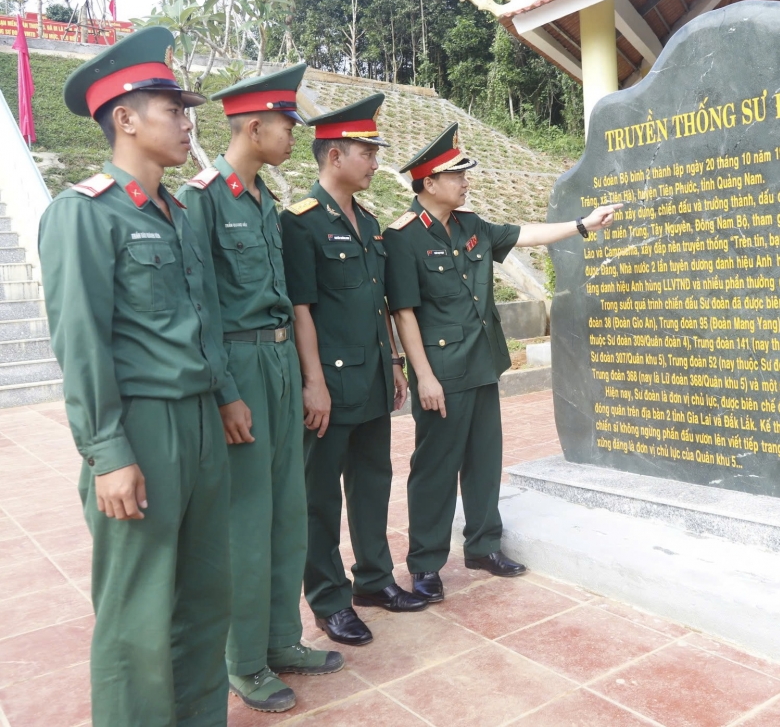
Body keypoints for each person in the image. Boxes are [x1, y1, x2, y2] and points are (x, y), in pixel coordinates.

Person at [40, 25, 231, 726]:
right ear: (124, 118)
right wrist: (109, 453)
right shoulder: (85, 214)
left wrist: (223, 397)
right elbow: (82, 344)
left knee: (206, 595)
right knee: (137, 613)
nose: (187, 123)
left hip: (200, 422)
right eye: (173, 110)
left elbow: (203, 319)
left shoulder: (176, 214)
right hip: (141, 428)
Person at [383, 123, 620, 602]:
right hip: (442, 375)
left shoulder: (472, 226)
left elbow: (527, 234)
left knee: (484, 461)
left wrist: (581, 224)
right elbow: (402, 313)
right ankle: (426, 563)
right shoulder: (402, 237)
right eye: (456, 175)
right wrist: (422, 375)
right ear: (429, 183)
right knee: (434, 468)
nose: (466, 181)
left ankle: (483, 545)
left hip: (482, 362)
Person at [177, 65, 343, 713]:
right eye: (286, 125)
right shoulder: (205, 197)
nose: (293, 136)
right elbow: (202, 309)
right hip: (240, 369)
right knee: (246, 523)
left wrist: (306, 378)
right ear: (254, 126)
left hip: (276, 367)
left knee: (285, 513)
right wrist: (224, 394)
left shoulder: (264, 201)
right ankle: (243, 663)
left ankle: (282, 641)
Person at [280, 93, 427, 648]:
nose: (373, 160)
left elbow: (379, 303)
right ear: (334, 155)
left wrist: (393, 360)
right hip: (329, 384)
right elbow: (301, 310)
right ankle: (329, 600)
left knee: (371, 483)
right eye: (366, 151)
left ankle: (374, 580)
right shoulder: (301, 223)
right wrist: (313, 383)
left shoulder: (367, 223)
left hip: (369, 377)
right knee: (320, 497)